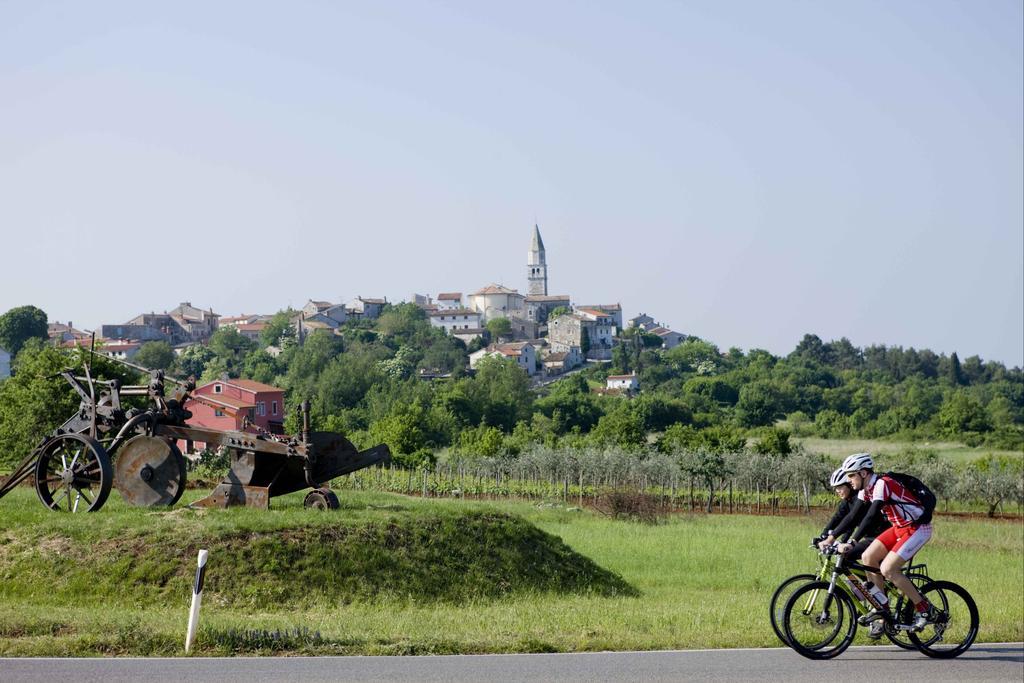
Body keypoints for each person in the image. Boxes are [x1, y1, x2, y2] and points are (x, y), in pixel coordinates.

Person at [828, 453, 940, 636]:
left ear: (863, 473)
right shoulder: (866, 489)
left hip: (917, 528)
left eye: (851, 475)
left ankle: (926, 609)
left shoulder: (882, 484)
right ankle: (883, 608)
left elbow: (871, 515)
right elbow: (853, 516)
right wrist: (831, 537)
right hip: (899, 528)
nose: (849, 480)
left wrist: (852, 541)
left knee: (888, 569)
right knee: (867, 557)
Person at [816, 467, 889, 561]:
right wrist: (823, 536)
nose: (837, 491)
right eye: (835, 488)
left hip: (880, 536)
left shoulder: (862, 500)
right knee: (846, 558)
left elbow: (852, 521)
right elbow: (838, 518)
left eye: (840, 487)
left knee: (848, 556)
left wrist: (844, 541)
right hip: (869, 537)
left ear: (849, 486)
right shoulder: (847, 501)